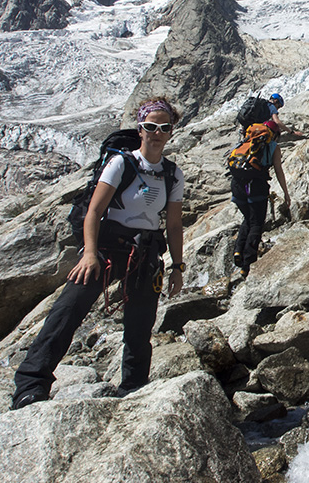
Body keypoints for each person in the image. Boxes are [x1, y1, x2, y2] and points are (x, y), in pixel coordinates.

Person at [11, 98, 186, 410]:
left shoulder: (172, 174)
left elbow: (173, 225)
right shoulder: (121, 163)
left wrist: (177, 266)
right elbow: (94, 211)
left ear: (171, 131)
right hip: (106, 249)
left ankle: (133, 387)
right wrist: (89, 253)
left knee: (140, 325)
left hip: (145, 253)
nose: (156, 133)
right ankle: (30, 385)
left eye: (164, 127)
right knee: (67, 311)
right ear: (140, 128)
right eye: (150, 126)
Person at [231, 99, 292, 277]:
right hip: (256, 186)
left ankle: (237, 251)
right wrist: (286, 194)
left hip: (238, 184)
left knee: (247, 219)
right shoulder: (273, 147)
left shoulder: (247, 140)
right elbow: (279, 172)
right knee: (257, 223)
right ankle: (247, 263)